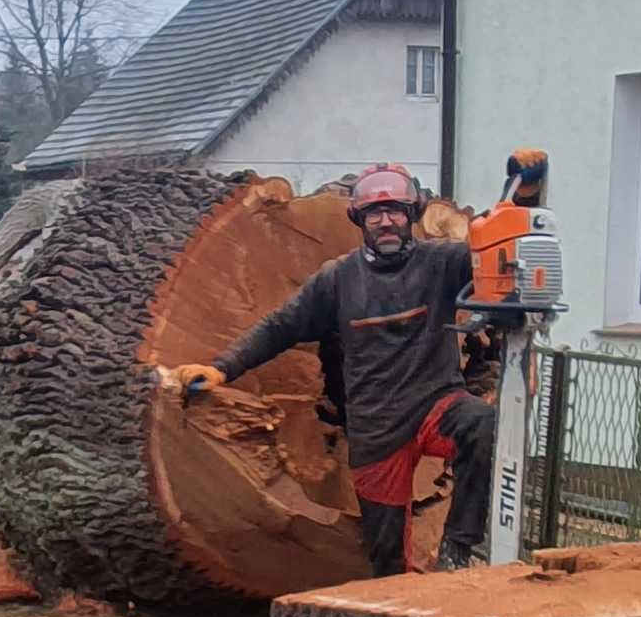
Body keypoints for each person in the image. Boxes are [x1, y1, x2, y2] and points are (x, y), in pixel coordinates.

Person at [159, 165, 493, 576]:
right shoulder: (339, 279)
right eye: (374, 213)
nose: (386, 221)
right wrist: (222, 369)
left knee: (481, 424)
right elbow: (280, 327)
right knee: (387, 561)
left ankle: (458, 549)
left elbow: (499, 251)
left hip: (435, 405)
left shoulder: (443, 263)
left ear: (413, 214)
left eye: (395, 211)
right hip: (376, 430)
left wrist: (529, 195)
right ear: (359, 219)